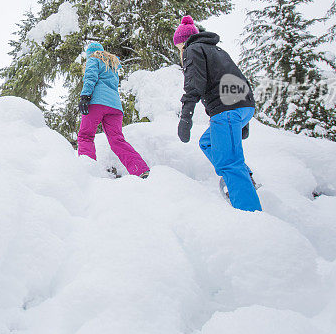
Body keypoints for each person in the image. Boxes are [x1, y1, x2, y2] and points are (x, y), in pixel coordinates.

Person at [172, 15, 261, 212]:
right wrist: (243, 121)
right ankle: (244, 178)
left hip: (227, 111)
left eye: (178, 47)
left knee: (229, 164)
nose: (180, 51)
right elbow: (237, 78)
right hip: (243, 107)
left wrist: (186, 115)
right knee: (208, 142)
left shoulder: (192, 49)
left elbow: (194, 84)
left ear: (182, 42)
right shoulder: (217, 51)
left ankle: (250, 213)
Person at [77, 42, 150, 179]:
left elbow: (90, 77)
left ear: (90, 54)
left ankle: (87, 173)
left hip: (97, 102)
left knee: (85, 136)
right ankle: (140, 169)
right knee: (117, 140)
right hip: (115, 107)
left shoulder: (93, 60)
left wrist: (85, 96)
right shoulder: (112, 67)